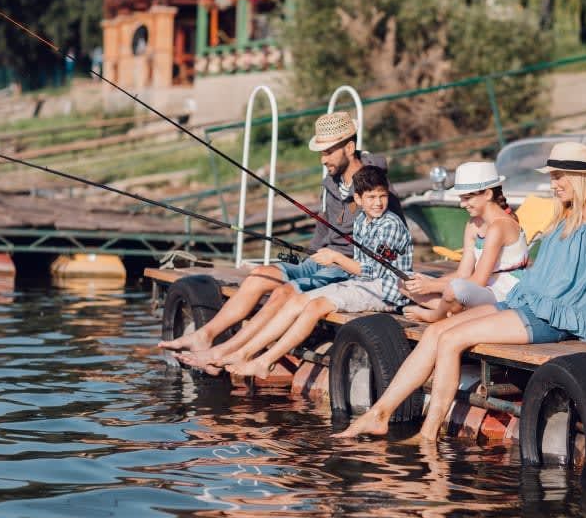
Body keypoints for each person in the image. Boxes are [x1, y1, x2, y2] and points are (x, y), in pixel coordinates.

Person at [333, 141, 586, 441]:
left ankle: (427, 434)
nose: (553, 184)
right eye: (552, 177)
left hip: (555, 317)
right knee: (436, 332)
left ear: (580, 178)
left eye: (559, 177)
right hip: (531, 302)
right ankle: (379, 413)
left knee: (451, 340)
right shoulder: (567, 211)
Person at [159, 111, 404, 358]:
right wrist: (300, 258)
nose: (323, 159)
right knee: (259, 275)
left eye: (328, 151)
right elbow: (323, 230)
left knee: (284, 292)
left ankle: (227, 351)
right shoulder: (331, 183)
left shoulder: (377, 189)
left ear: (349, 147)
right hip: (318, 260)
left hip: (345, 268)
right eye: (321, 152)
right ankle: (205, 336)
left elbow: (394, 237)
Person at [192, 164, 412, 379]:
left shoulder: (390, 225)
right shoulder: (362, 220)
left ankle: (264, 361)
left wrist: (335, 258)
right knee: (297, 301)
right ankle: (242, 354)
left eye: (382, 196)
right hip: (361, 283)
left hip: (385, 289)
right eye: (371, 198)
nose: (378, 203)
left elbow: (375, 270)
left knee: (315, 306)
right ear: (358, 199)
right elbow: (362, 269)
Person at [401, 161, 527, 323]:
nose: (462, 204)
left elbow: (478, 281)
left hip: (505, 295)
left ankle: (435, 315)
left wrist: (431, 286)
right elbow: (463, 274)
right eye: (462, 198)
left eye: (467, 198)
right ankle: (452, 310)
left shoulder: (500, 226)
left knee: (455, 289)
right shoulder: (473, 224)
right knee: (405, 283)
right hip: (480, 291)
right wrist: (427, 283)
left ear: (488, 194)